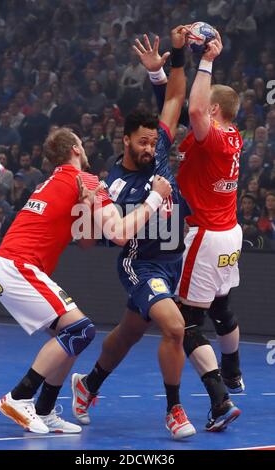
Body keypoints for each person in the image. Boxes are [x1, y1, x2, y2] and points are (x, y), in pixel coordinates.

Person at [0, 127, 171, 435]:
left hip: (10, 266)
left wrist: (86, 208)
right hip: (19, 266)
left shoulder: (59, 182)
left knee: (71, 337)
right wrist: (155, 198)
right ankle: (19, 396)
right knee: (80, 329)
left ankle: (45, 411)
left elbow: (86, 241)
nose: (84, 147)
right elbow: (119, 233)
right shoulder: (84, 180)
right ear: (75, 149)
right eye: (81, 143)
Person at [72, 27, 196, 440]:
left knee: (128, 333)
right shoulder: (115, 186)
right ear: (126, 141)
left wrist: (175, 56)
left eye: (151, 142)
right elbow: (117, 235)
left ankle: (87, 386)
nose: (149, 149)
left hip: (173, 258)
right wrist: (156, 201)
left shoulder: (158, 148)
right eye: (142, 143)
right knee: (174, 327)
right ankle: (175, 410)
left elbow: (176, 98)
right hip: (140, 261)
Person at [147, 30, 244, 430]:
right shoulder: (211, 140)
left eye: (203, 104)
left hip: (205, 234)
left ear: (216, 107)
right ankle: (234, 373)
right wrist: (159, 74)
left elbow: (198, 112)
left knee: (184, 322)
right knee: (219, 306)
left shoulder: (216, 137)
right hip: (227, 232)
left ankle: (219, 400)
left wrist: (206, 59)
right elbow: (170, 112)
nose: (194, 108)